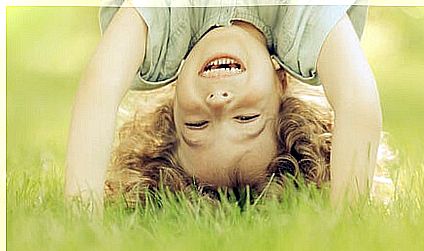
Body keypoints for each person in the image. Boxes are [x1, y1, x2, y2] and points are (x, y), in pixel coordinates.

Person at [64, 0, 382, 208]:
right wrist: (348, 221)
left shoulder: (164, 27)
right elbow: (356, 99)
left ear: (174, 103)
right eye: (246, 118)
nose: (218, 102)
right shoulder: (300, 25)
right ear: (280, 82)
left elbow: (100, 87)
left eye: (197, 124)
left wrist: (80, 217)